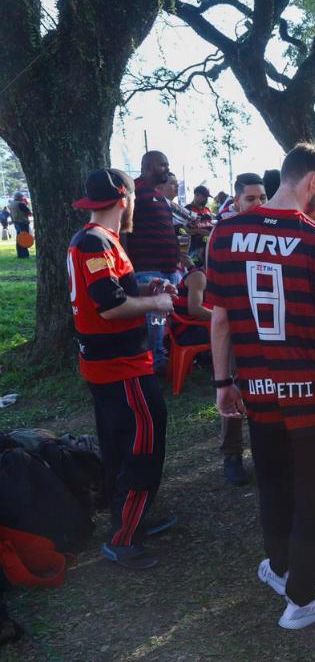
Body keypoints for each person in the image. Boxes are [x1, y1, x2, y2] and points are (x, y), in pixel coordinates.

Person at [206, 143, 315, 630]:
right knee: (312, 493)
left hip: (256, 384)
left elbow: (221, 321)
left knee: (272, 481)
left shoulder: (224, 232)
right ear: (313, 181)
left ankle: (278, 567)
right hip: (309, 392)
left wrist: (221, 381)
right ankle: (303, 597)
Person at [68, 168, 176, 570]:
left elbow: (116, 291)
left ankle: (131, 520)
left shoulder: (102, 239)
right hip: (120, 367)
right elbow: (110, 306)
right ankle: (124, 536)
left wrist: (147, 290)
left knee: (120, 445)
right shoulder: (94, 242)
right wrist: (156, 304)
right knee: (143, 447)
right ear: (124, 200)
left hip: (113, 364)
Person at [206, 172, 268, 485]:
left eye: (262, 198)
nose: (258, 204)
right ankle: (232, 455)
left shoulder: (272, 230)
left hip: (265, 327)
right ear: (236, 199)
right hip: (234, 324)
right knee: (230, 389)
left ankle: (266, 453)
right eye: (251, 198)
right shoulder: (222, 233)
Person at [125, 151, 181, 373]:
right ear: (148, 166)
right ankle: (152, 365)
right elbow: (124, 231)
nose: (167, 169)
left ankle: (159, 359)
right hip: (148, 270)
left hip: (169, 269)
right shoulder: (134, 193)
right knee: (153, 322)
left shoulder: (158, 196)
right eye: (163, 165)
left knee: (161, 321)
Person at [9, 192, 31, 258]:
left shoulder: (11, 204)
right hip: (23, 223)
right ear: (19, 197)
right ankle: (25, 254)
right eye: (21, 197)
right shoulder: (20, 204)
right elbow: (28, 212)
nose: (22, 198)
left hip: (16, 222)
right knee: (24, 238)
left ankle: (20, 254)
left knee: (19, 238)